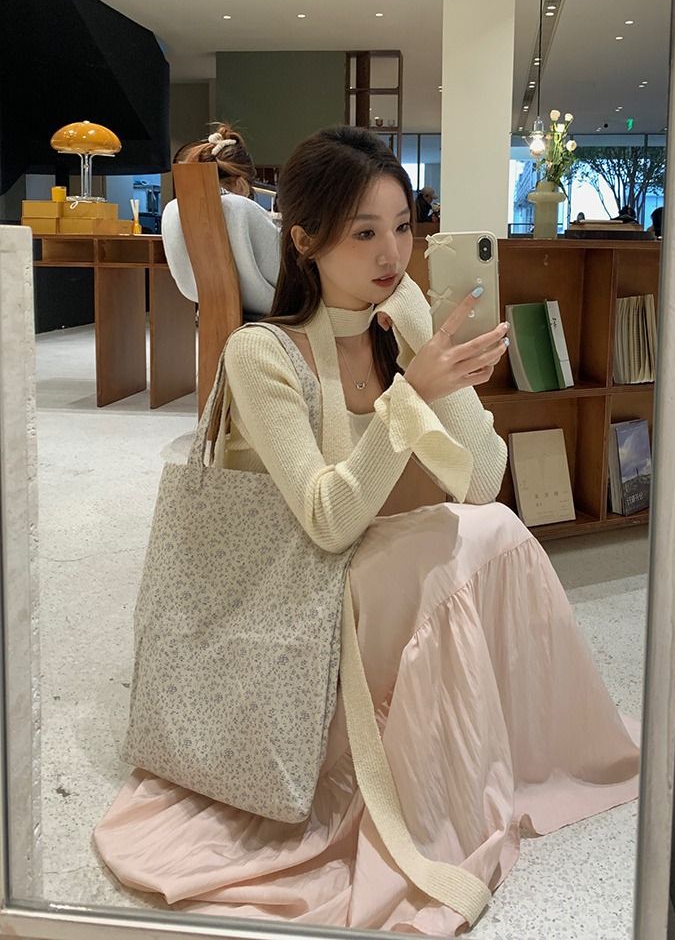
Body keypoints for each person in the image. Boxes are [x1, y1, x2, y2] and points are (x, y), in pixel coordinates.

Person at [94, 126, 639, 934]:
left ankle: (501, 760)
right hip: (299, 598)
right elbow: (327, 523)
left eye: (404, 227)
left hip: (374, 584)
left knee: (491, 532)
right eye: (364, 232)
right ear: (305, 241)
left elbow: (485, 480)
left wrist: (419, 339)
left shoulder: (395, 331)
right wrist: (411, 399)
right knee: (456, 549)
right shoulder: (260, 354)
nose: (393, 253)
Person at [161, 123, 280, 319]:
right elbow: (282, 273)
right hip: (268, 308)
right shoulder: (242, 208)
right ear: (241, 183)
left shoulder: (173, 209)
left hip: (205, 302)